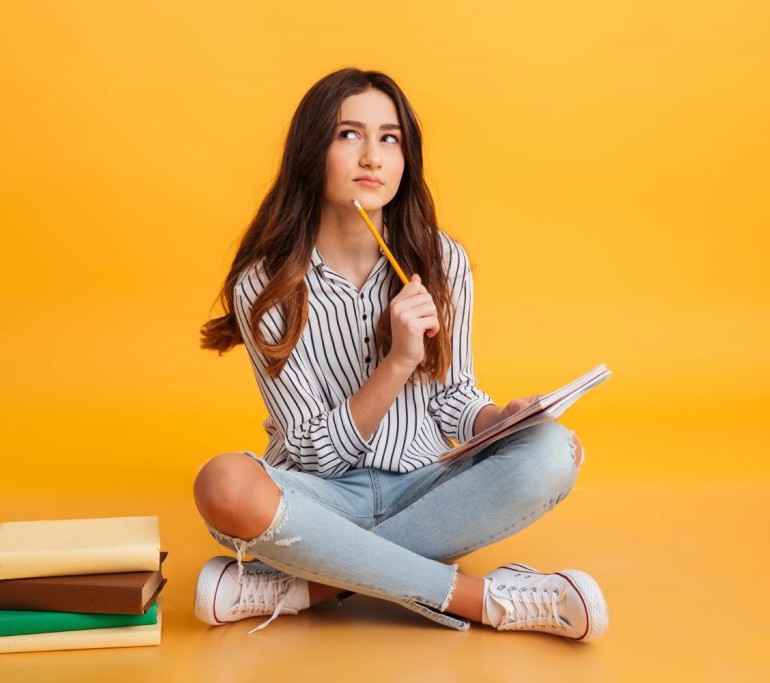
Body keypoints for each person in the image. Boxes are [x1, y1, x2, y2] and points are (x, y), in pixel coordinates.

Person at [193, 67, 608, 640]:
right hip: (320, 500)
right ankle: (481, 599)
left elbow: (454, 401)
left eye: (389, 138)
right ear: (313, 152)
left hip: (426, 486)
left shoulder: (442, 262)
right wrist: (396, 364)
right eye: (349, 135)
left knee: (555, 450)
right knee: (223, 484)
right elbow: (315, 455)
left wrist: (500, 421)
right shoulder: (265, 287)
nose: (372, 157)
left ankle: (311, 584)